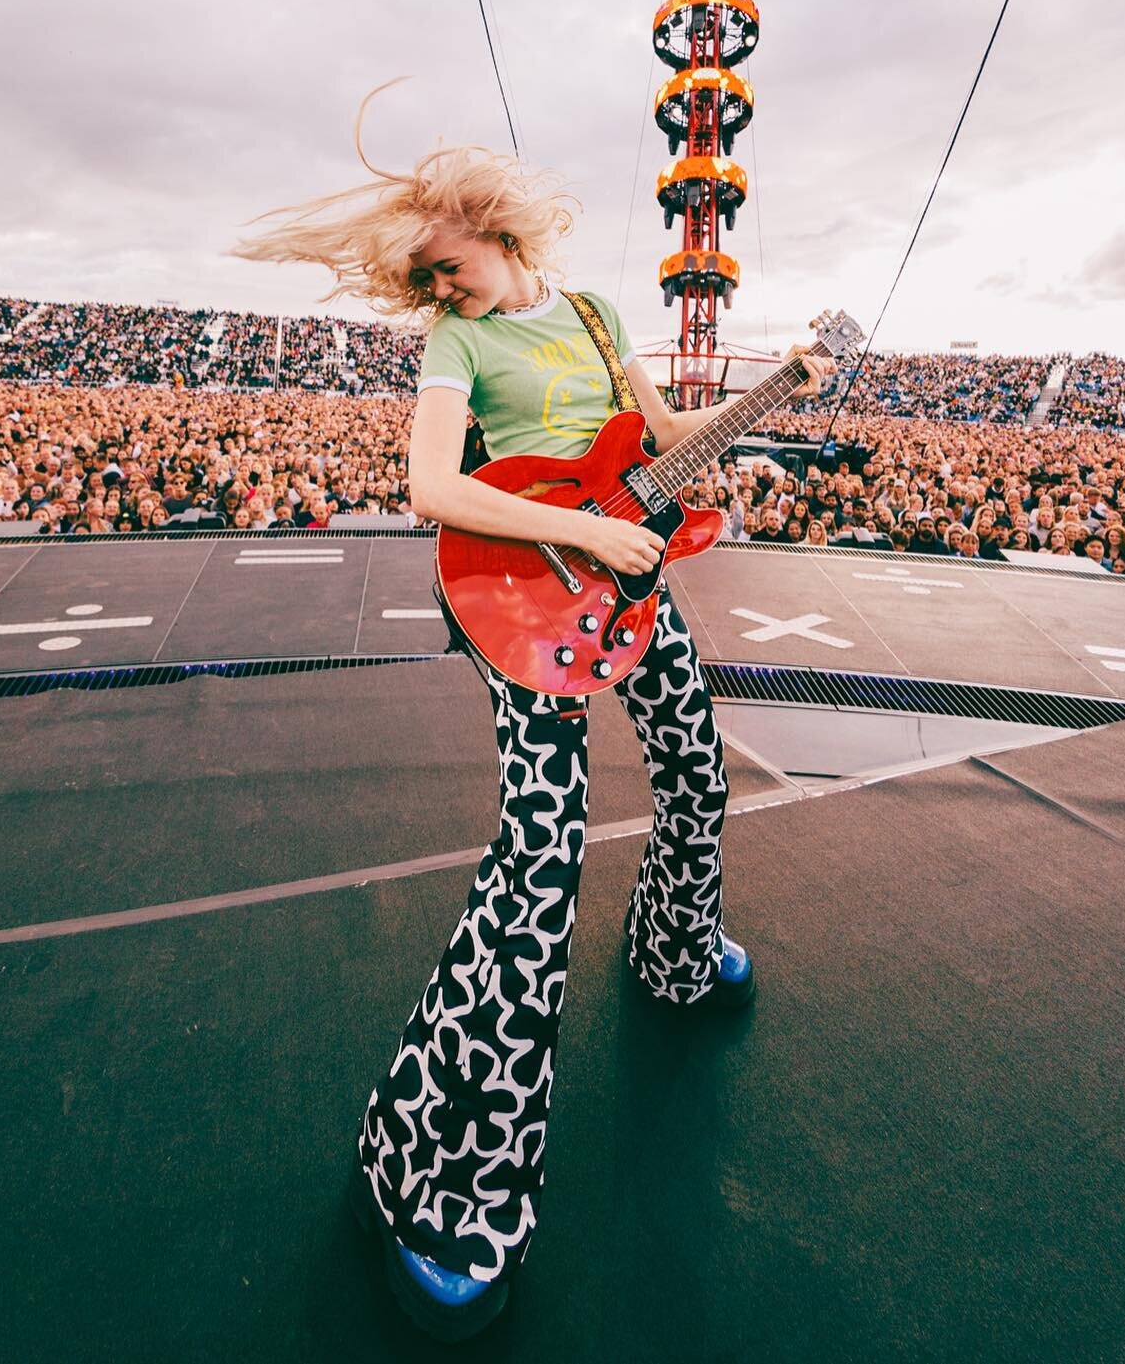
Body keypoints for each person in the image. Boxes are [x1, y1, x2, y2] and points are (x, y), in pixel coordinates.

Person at [233, 85, 833, 1342]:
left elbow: (661, 439)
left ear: (487, 223)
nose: (436, 287)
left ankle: (677, 953)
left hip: (630, 582)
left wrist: (776, 393)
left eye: (443, 264)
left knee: (696, 768)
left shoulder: (603, 314)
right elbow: (433, 484)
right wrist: (582, 528)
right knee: (539, 867)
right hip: (525, 607)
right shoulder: (458, 348)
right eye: (424, 279)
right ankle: (435, 1175)